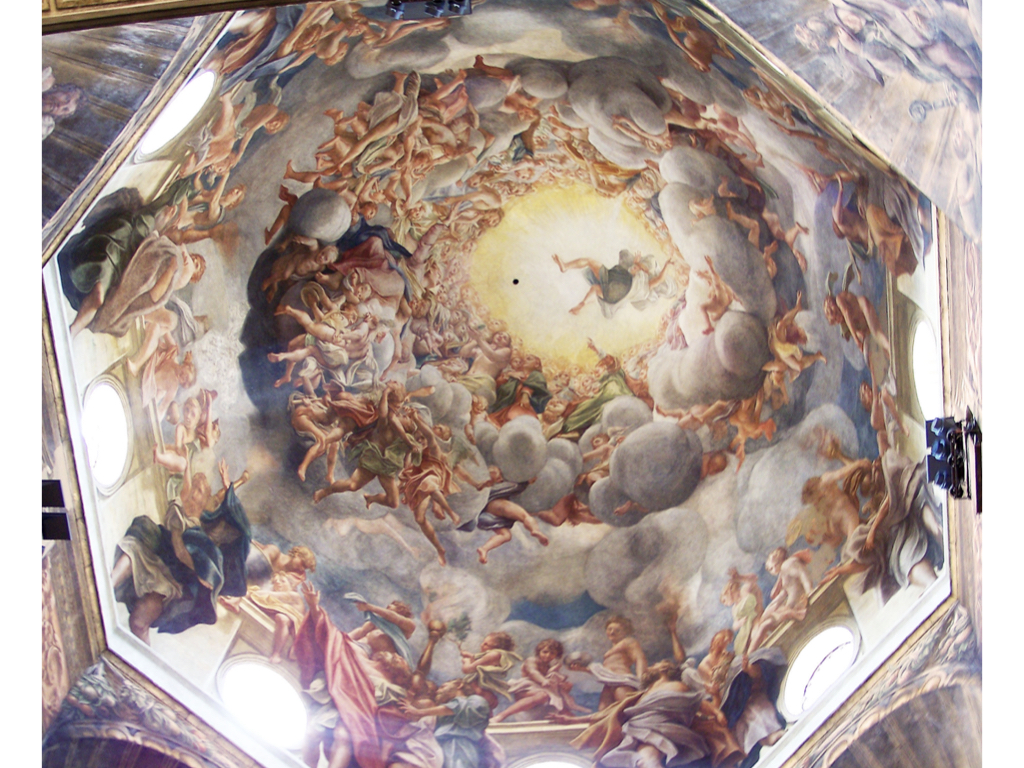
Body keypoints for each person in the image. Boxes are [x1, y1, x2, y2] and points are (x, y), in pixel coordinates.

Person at [457, 465, 550, 564]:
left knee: (506, 535)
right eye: (498, 478)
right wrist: (527, 482)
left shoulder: (481, 491)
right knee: (525, 516)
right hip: (499, 505)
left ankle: (484, 549)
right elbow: (515, 487)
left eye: (500, 476)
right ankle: (535, 530)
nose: (501, 479)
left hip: (487, 516)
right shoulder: (495, 487)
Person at [493, 639, 589, 723]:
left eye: (552, 653)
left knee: (561, 702)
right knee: (543, 695)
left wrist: (564, 686)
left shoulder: (550, 667)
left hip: (542, 692)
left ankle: (575, 721)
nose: (548, 655)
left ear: (556, 655)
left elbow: (555, 681)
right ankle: (502, 715)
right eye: (545, 652)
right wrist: (543, 681)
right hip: (525, 690)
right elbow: (533, 672)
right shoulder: (532, 660)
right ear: (539, 651)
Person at [570, 616, 648, 711]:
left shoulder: (628, 642)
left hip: (621, 681)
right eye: (609, 629)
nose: (612, 632)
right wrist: (582, 669)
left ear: (625, 632)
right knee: (603, 711)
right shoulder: (610, 650)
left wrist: (642, 680)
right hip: (609, 683)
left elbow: (639, 659)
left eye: (617, 630)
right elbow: (604, 671)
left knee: (627, 709)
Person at [458, 632, 522, 710]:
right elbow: (481, 662)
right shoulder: (500, 655)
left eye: (486, 644)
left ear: (496, 646)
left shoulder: (494, 654)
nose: (481, 645)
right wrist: (470, 656)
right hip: (486, 691)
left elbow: (467, 669)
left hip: (482, 691)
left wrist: (466, 661)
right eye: (483, 642)